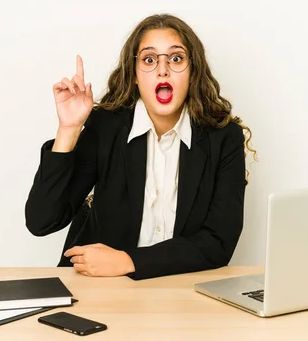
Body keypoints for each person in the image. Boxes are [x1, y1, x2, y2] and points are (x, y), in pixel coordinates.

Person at [25, 14, 255, 280]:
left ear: (193, 73)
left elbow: (219, 243)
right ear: (134, 76)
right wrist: (68, 130)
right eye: (149, 59)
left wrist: (129, 261)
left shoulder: (224, 138)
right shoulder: (106, 128)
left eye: (176, 59)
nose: (162, 69)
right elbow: (41, 221)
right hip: (99, 289)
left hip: (179, 291)